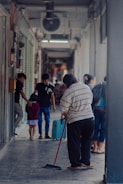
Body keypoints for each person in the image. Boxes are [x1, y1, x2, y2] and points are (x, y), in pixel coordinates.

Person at [60, 74, 94, 170]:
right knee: (87, 141)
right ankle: (86, 162)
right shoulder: (86, 88)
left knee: (74, 142)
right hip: (89, 118)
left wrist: (66, 114)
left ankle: (75, 164)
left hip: (75, 120)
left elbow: (64, 107)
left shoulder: (69, 91)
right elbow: (90, 101)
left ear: (66, 83)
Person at [34, 73, 56, 139]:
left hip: (47, 106)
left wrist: (53, 106)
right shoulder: (38, 85)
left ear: (48, 80)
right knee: (39, 120)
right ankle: (40, 134)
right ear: (42, 80)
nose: (45, 82)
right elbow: (34, 93)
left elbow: (52, 96)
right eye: (44, 80)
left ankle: (46, 134)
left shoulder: (51, 86)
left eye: (46, 80)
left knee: (48, 120)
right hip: (39, 106)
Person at [92, 77, 106, 154]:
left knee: (96, 128)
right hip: (104, 111)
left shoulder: (98, 86)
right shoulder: (109, 87)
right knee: (103, 129)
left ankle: (94, 147)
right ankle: (100, 147)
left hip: (96, 110)